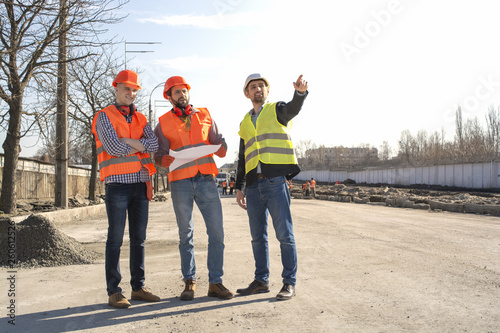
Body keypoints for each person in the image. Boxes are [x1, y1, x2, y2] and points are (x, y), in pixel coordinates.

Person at [154, 76, 233, 301]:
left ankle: (215, 283)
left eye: (184, 91)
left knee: (216, 232)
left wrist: (221, 149)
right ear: (169, 97)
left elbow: (219, 141)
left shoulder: (205, 115)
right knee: (185, 234)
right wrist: (162, 161)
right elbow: (159, 155)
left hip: (206, 180)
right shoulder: (162, 123)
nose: (181, 95)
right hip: (180, 182)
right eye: (176, 92)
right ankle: (189, 281)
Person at [235, 73, 308, 301]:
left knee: (285, 235)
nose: (258, 89)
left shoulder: (276, 110)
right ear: (247, 94)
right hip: (255, 186)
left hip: (275, 181)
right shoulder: (245, 122)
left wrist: (300, 94)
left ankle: (289, 283)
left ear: (267, 91)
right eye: (253, 87)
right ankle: (261, 280)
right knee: (258, 237)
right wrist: (240, 187)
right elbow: (242, 156)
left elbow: (293, 109)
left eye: (261, 86)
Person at [91, 69, 160, 308]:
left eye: (134, 90)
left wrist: (131, 142)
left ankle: (138, 287)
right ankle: (114, 291)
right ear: (116, 88)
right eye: (126, 89)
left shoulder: (141, 118)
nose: (130, 93)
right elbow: (112, 147)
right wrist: (138, 145)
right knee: (115, 239)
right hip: (117, 185)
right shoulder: (103, 116)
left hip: (140, 184)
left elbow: (154, 143)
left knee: (138, 239)